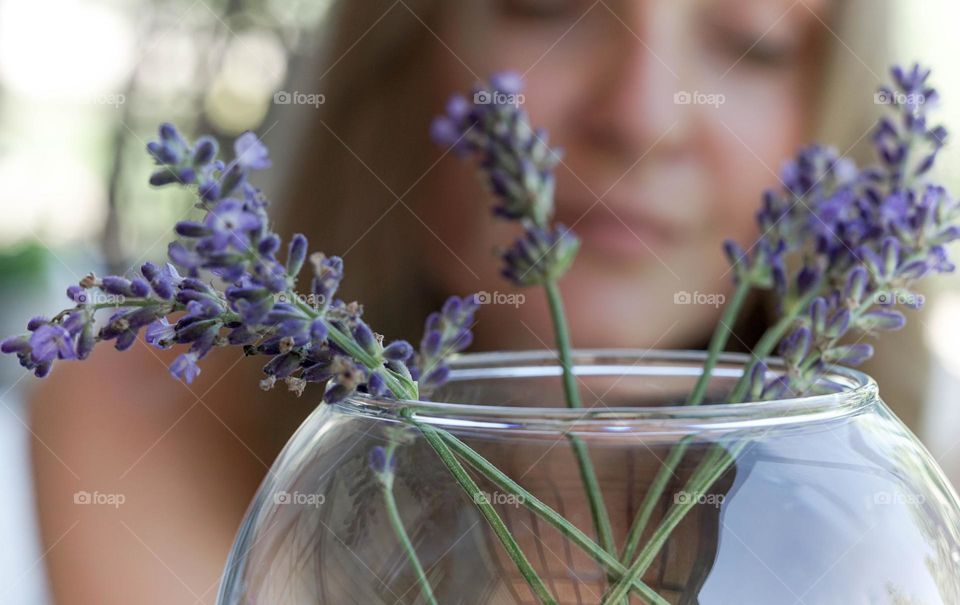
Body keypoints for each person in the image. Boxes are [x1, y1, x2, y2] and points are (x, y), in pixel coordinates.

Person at [31, 0, 925, 603]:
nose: (644, 112)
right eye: (548, 6)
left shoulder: (898, 490)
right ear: (396, 49)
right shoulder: (156, 415)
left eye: (752, 35)